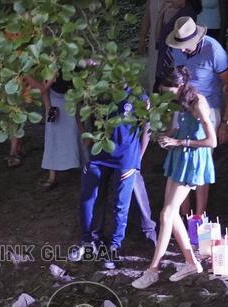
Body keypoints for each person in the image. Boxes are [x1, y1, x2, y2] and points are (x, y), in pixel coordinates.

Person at [132, 66, 216, 290]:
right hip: (179, 158)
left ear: (179, 86)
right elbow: (178, 128)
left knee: (166, 213)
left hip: (193, 161)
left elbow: (212, 141)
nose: (163, 92)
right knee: (172, 214)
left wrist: (179, 143)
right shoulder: (180, 101)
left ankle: (153, 270)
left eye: (166, 88)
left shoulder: (198, 102)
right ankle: (191, 263)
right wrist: (166, 137)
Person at [165, 16, 228, 218]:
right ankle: (182, 215)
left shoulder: (213, 50)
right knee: (179, 159)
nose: (181, 49)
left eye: (186, 45)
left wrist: (225, 122)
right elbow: (175, 83)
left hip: (207, 109)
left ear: (197, 39)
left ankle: (198, 218)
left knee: (199, 163)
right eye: (179, 45)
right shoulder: (176, 50)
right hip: (182, 109)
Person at [71, 91, 151, 269]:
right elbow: (75, 108)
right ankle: (87, 242)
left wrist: (137, 159)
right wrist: (86, 136)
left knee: (121, 204)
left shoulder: (138, 95)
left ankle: (114, 247)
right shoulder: (97, 89)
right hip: (98, 153)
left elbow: (147, 126)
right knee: (87, 197)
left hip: (126, 157)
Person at [32, 73, 84, 189]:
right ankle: (52, 176)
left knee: (79, 129)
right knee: (53, 134)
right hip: (55, 97)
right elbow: (44, 87)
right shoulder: (51, 65)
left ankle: (86, 166)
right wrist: (48, 106)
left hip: (75, 94)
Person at [154, 0, 198, 92]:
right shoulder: (176, 12)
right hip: (164, 60)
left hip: (172, 65)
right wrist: (161, 13)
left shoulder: (187, 15)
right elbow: (158, 35)